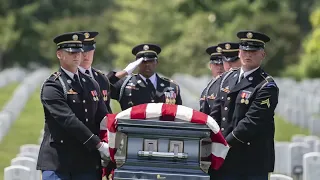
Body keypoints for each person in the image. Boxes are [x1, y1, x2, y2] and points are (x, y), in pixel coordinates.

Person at [37, 32, 110, 180]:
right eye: (71, 52)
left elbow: (103, 117)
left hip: (86, 163)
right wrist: (99, 145)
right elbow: (69, 120)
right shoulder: (53, 85)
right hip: (59, 163)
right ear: (59, 54)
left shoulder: (91, 83)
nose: (76, 56)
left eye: (78, 51)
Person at [209, 31, 279, 180]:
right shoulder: (227, 77)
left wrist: (223, 144)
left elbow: (251, 122)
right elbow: (216, 112)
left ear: (263, 55)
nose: (248, 55)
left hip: (250, 161)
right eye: (245, 50)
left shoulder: (266, 86)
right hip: (224, 158)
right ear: (239, 52)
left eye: (254, 51)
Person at [109, 43, 182, 110]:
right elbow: (102, 86)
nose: (147, 64)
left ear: (157, 63)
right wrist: (125, 72)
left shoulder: (171, 86)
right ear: (136, 63)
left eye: (151, 61)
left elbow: (179, 113)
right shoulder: (124, 84)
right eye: (143, 62)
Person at [199, 45, 225, 114]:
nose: (219, 68)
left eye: (222, 64)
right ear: (210, 66)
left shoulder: (228, 85)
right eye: (216, 64)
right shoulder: (209, 87)